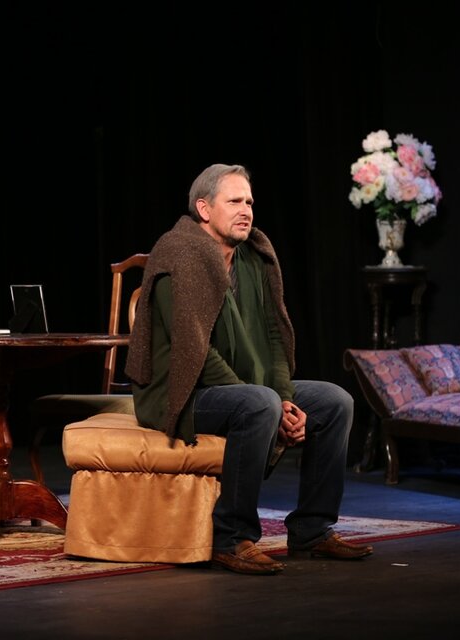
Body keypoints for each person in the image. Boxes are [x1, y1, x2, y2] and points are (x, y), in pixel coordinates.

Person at [125, 163, 373, 575]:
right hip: (182, 393)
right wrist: (269, 402)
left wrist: (285, 399)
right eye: (235, 201)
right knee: (258, 404)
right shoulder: (179, 254)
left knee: (335, 401)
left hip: (249, 389)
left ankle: (311, 529)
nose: (246, 211)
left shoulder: (253, 257)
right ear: (204, 209)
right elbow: (195, 351)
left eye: (250, 202)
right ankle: (231, 537)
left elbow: (276, 337)